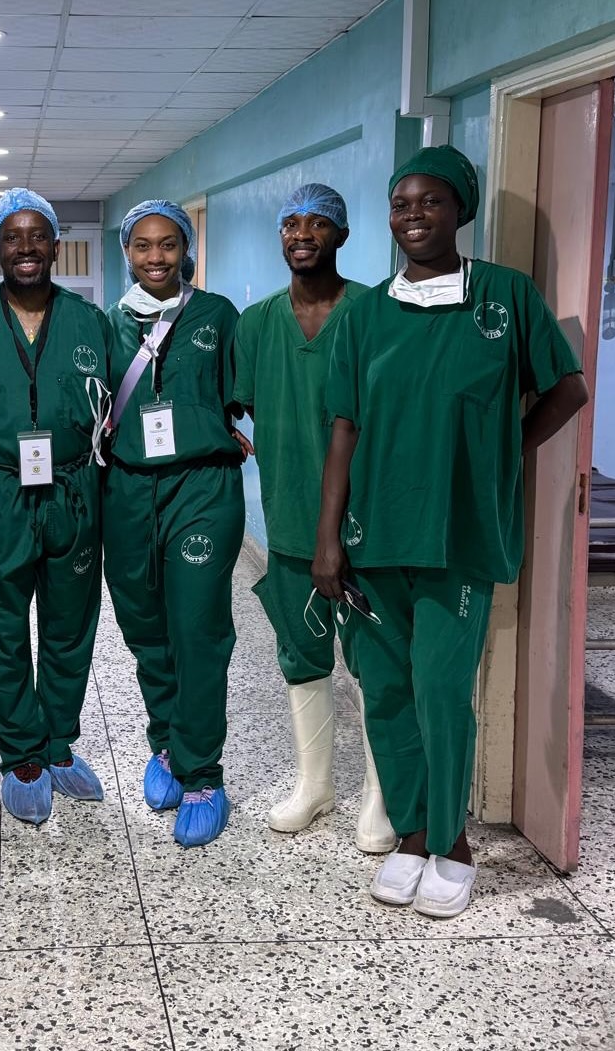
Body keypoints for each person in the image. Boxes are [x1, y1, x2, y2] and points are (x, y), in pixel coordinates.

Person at [312, 145, 589, 918]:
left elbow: (567, 387)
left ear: (458, 209)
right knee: (384, 690)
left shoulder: (503, 296)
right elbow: (343, 429)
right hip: (373, 534)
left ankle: (451, 842)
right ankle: (409, 832)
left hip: (456, 534)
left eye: (429, 201)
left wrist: (505, 449)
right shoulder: (364, 313)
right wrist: (327, 539)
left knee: (439, 688)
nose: (413, 215)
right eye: (400, 203)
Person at [231, 184, 395, 854]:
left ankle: (382, 797)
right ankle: (315, 785)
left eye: (318, 223)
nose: (302, 234)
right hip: (290, 519)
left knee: (376, 663)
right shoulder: (256, 323)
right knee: (300, 656)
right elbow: (239, 403)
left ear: (342, 235)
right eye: (290, 224)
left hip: (369, 527)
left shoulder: (375, 313)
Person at [0, 187, 112, 825]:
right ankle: (21, 752)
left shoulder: (88, 321)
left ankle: (59, 742)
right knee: (1, 621)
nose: (25, 247)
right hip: (1, 488)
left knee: (71, 622)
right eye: (12, 237)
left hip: (73, 486)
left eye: (38, 235)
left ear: (55, 246)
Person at [103, 200, 247, 848]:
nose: (156, 256)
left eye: (168, 244)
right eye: (142, 245)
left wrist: (224, 426)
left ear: (185, 248)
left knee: (197, 629)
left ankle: (203, 776)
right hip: (128, 488)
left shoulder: (216, 315)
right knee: (146, 628)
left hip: (201, 486)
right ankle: (165, 741)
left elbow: (238, 396)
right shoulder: (110, 323)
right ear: (126, 252)